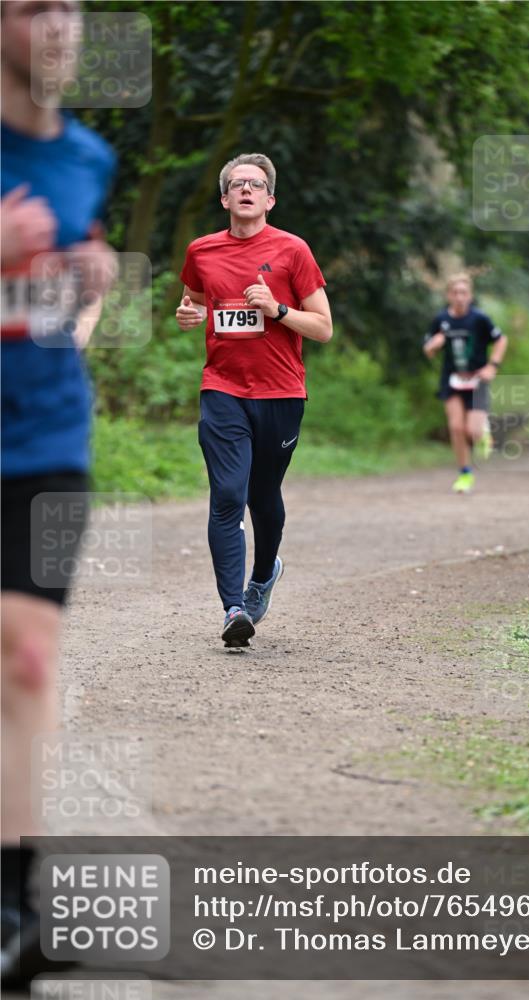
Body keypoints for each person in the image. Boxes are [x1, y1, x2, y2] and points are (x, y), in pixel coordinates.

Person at [1, 0, 116, 988]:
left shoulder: (88, 159)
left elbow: (60, 299)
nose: (60, 26)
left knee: (28, 657)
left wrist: (85, 283)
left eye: (71, 7)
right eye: (35, 7)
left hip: (47, 437)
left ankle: (18, 907)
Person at [176, 153, 332, 646]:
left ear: (270, 198)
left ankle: (264, 574)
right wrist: (188, 314)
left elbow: (323, 328)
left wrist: (278, 308)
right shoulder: (201, 251)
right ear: (225, 198)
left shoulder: (293, 251)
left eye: (256, 184)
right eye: (237, 184)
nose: (246, 189)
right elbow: (194, 301)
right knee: (227, 496)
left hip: (282, 392)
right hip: (222, 388)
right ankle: (233, 609)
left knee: (263, 497)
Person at [423, 272, 507, 493]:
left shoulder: (479, 319)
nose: (460, 297)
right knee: (456, 428)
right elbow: (428, 349)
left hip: (477, 379)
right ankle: (465, 474)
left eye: (464, 293)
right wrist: (435, 343)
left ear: (470, 295)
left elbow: (501, 340)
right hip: (451, 379)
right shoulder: (441, 320)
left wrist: (493, 366)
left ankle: (484, 431)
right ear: (448, 295)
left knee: (473, 431)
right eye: (455, 293)